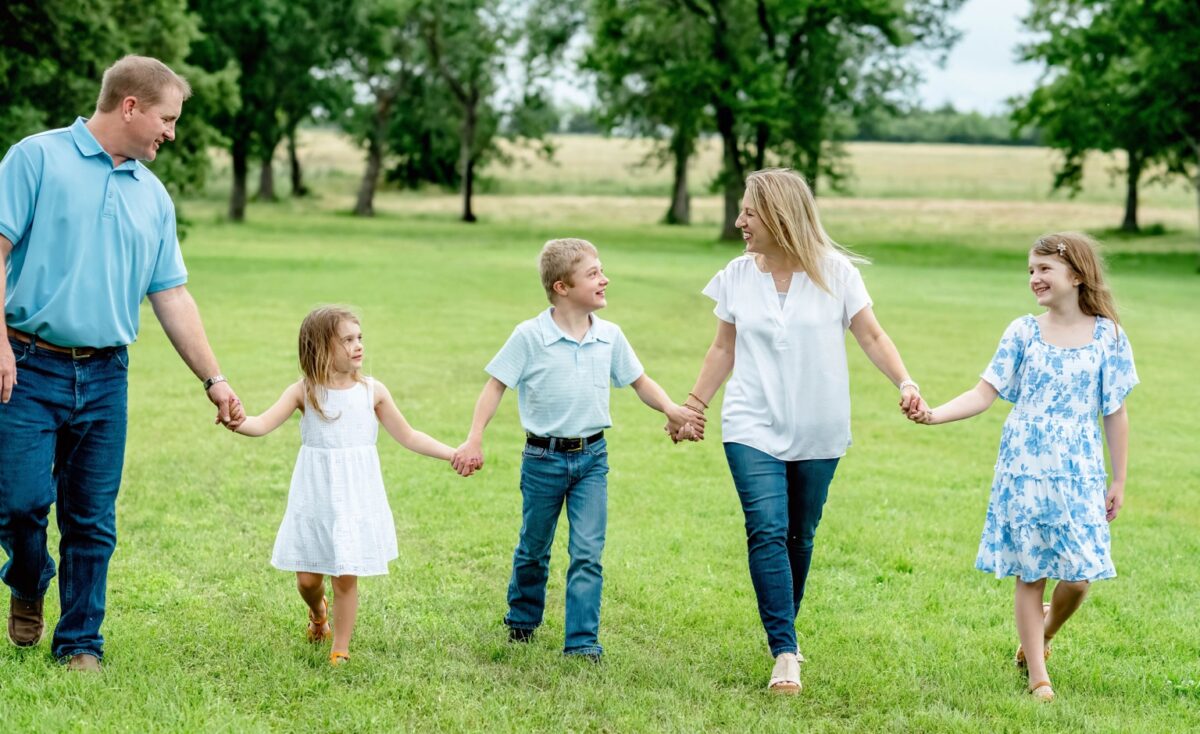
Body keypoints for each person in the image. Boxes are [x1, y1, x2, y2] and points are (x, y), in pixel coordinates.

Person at [0, 55, 243, 672]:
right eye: (167, 118)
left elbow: (172, 295)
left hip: (107, 375)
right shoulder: (35, 158)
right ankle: (29, 580)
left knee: (92, 519)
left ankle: (81, 641)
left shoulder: (152, 194)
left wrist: (213, 381)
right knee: (21, 504)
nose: (171, 131)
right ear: (130, 106)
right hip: (26, 363)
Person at [677, 169, 924, 693]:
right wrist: (694, 405)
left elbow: (872, 335)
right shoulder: (737, 275)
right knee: (765, 528)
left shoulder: (836, 274)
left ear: (779, 215)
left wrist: (904, 381)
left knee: (799, 534)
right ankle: (784, 650)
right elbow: (724, 347)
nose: (739, 220)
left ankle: (785, 626)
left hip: (819, 424)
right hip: (750, 422)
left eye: (748, 211)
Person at [908, 233, 1136, 702]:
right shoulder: (1022, 332)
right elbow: (983, 394)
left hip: (1078, 469)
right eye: (1030, 270)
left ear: (1076, 274)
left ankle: (1047, 631)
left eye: (1044, 269)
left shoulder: (1108, 336)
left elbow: (1114, 410)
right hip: (1024, 467)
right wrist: (933, 414)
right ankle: (1038, 675)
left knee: (1078, 575)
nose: (1034, 278)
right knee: (1030, 571)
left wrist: (1118, 478)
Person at [451, 238, 701, 661]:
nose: (605, 279)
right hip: (542, 459)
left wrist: (672, 409)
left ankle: (582, 642)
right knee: (534, 547)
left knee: (587, 552)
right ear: (562, 287)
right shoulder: (530, 336)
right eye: (593, 274)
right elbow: (496, 385)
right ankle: (523, 620)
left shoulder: (610, 336)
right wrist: (474, 437)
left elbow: (639, 381)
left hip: (592, 460)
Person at [234, 306, 464, 665]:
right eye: (347, 340)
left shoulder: (372, 391)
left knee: (345, 576)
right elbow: (261, 423)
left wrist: (452, 454)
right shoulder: (304, 391)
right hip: (315, 495)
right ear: (320, 348)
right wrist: (237, 421)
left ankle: (340, 647)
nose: (358, 346)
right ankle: (317, 613)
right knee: (308, 580)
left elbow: (409, 435)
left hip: (356, 496)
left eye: (360, 338)